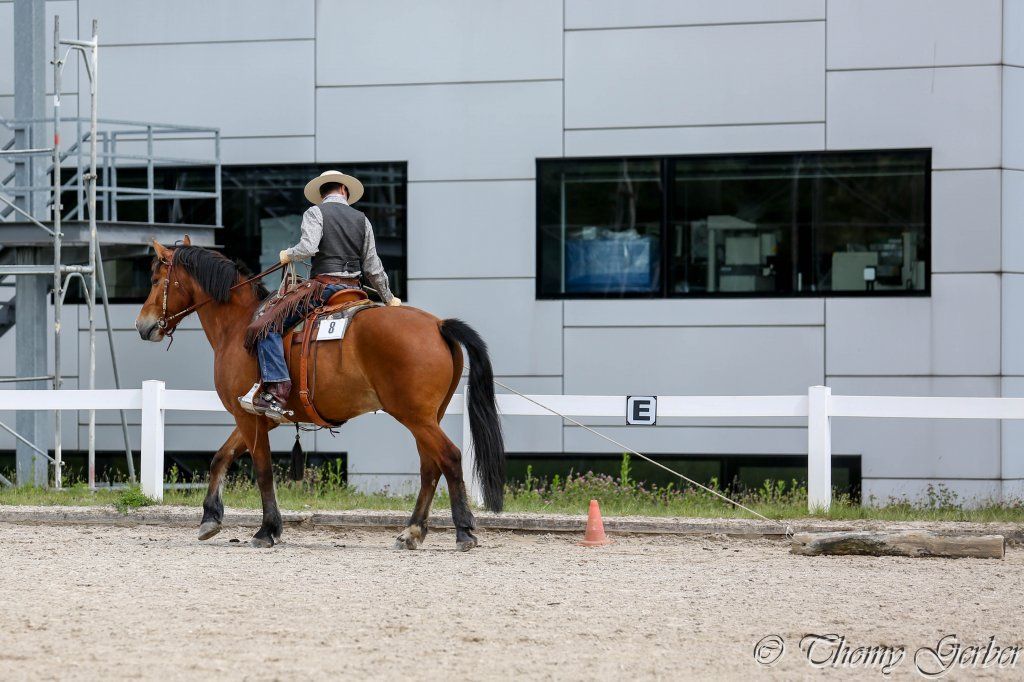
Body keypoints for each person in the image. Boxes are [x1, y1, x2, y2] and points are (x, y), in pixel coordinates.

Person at [250, 170, 401, 419]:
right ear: (343, 189)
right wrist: (388, 298)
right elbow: (373, 267)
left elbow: (309, 247)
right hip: (355, 291)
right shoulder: (362, 219)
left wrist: (289, 253)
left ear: (323, 193)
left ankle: (277, 389)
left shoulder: (315, 212)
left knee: (268, 324)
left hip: (325, 288)